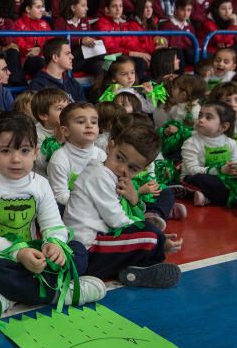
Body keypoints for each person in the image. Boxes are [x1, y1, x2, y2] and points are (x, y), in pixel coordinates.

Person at [0, 111, 106, 307]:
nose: (16, 159)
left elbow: (53, 224)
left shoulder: (40, 184)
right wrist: (18, 253)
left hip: (32, 250)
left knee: (77, 250)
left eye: (24, 150)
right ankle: (57, 293)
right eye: (6, 151)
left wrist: (54, 244)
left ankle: (10, 295)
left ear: (36, 151)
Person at [64, 123, 182, 287]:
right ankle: (143, 267)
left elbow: (129, 218)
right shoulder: (99, 175)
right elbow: (117, 221)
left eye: (132, 168)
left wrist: (136, 204)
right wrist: (157, 239)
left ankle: (134, 272)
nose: (121, 168)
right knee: (151, 235)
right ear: (110, 146)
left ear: (143, 169)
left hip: (100, 243)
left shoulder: (114, 176)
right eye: (119, 158)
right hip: (86, 251)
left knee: (150, 233)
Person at [180, 102, 237, 207]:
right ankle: (215, 196)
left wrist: (236, 170)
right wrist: (218, 170)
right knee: (203, 179)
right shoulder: (191, 143)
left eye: (208, 117)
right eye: (200, 115)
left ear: (223, 126)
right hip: (194, 177)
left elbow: (236, 164)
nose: (201, 120)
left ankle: (206, 197)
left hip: (222, 176)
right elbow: (192, 169)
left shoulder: (231, 143)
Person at [46, 102, 105, 206]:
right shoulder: (59, 159)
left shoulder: (101, 154)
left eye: (94, 122)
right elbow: (60, 195)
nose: (89, 125)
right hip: (70, 208)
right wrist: (88, 203)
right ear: (65, 131)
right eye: (81, 122)